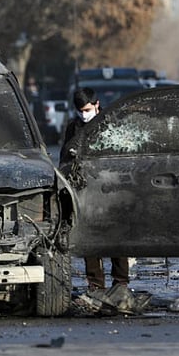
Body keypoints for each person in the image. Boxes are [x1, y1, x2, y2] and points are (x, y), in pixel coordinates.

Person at [60, 87, 130, 291]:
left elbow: (123, 154)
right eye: (80, 110)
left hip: (111, 188)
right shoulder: (73, 127)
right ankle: (95, 285)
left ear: (97, 104)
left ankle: (121, 283)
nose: (84, 114)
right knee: (89, 240)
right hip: (86, 190)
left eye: (87, 109)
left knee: (116, 238)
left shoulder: (111, 123)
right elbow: (64, 157)